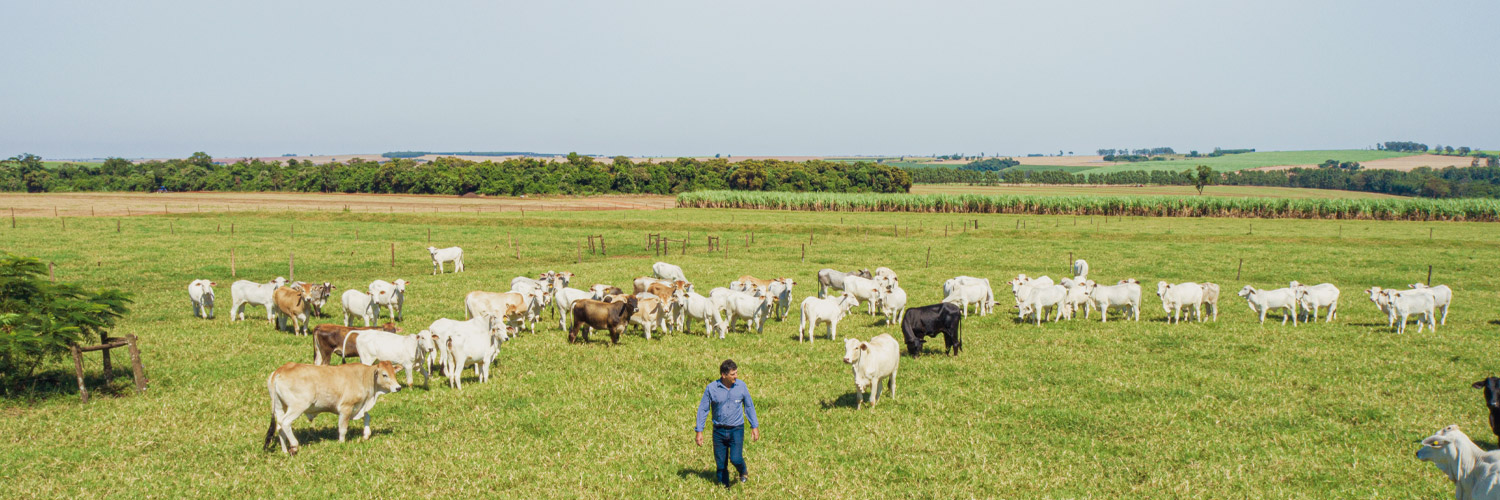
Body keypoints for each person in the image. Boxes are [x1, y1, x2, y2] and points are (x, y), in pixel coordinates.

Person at [694, 359, 760, 488]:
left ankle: (743, 470)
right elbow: (703, 409)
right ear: (723, 375)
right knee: (720, 464)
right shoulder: (712, 388)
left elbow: (749, 406)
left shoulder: (741, 386)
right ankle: (725, 488)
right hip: (718, 430)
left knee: (735, 458)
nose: (736, 376)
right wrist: (699, 430)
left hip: (736, 429)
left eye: (736, 373)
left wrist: (754, 426)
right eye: (733, 374)